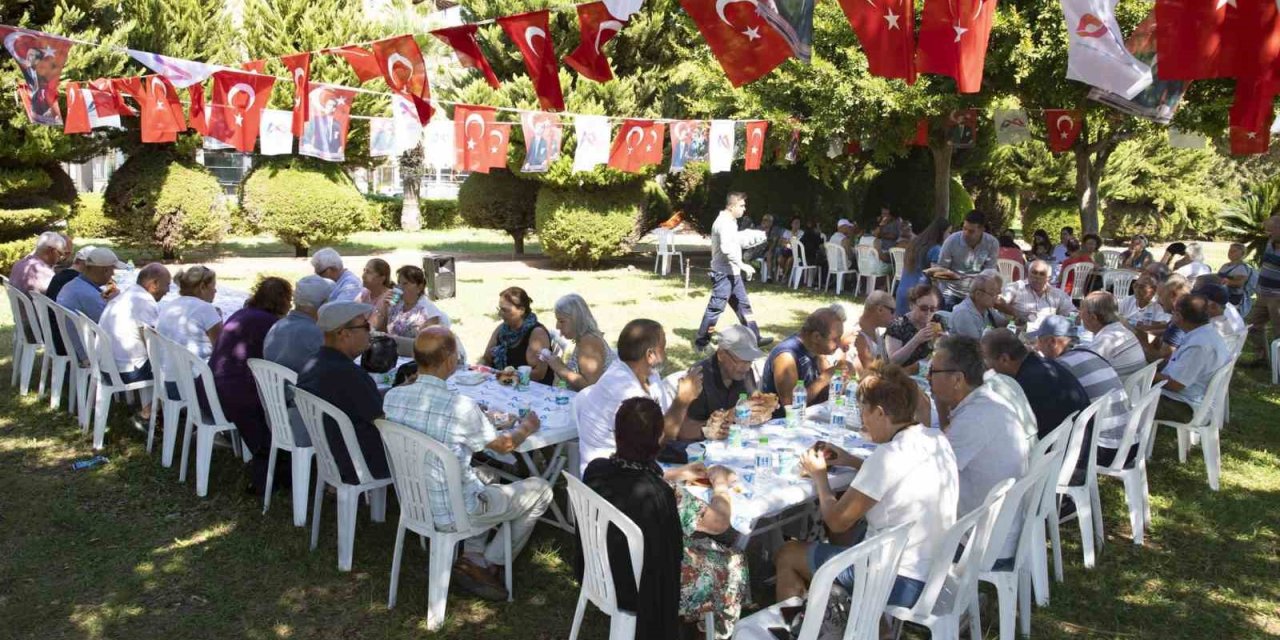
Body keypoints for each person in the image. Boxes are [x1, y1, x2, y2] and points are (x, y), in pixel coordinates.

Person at [384, 327, 553, 601]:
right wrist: (527, 427)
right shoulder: (460, 407)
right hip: (454, 509)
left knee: (486, 475)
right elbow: (504, 446)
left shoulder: (393, 397)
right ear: (451, 360)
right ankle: (490, 562)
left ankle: (472, 556)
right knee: (542, 488)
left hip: (414, 498)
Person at [775, 363, 958, 614]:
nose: (863, 420)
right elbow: (898, 478)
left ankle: (800, 627)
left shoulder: (886, 456)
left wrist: (819, 476)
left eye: (864, 412)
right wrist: (850, 460)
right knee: (851, 536)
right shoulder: (934, 438)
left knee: (788, 554)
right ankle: (868, 624)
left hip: (899, 580)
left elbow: (836, 521)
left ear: (881, 413)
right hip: (933, 567)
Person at [582, 397, 750, 639]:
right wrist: (721, 485)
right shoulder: (661, 494)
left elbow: (633, 469)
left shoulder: (596, 469)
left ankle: (696, 623)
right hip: (647, 587)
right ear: (659, 439)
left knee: (703, 549)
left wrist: (675, 473)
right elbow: (719, 522)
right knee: (734, 562)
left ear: (617, 433)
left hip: (601, 566)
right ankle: (711, 633)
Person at [927, 336, 1029, 555]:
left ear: (957, 379)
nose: (928, 378)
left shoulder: (974, 420)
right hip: (997, 529)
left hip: (977, 544)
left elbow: (923, 478)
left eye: (933, 372)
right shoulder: (987, 402)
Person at [576, 319, 702, 474]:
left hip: (635, 465)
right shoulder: (625, 390)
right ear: (650, 355)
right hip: (610, 477)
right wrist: (683, 400)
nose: (666, 354)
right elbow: (656, 443)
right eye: (663, 348)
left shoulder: (650, 375)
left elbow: (666, 425)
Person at [209, 277, 292, 494]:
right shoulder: (268, 323)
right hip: (237, 392)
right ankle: (267, 478)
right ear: (282, 301)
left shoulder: (241, 314)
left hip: (214, 383)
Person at [296, 301, 389, 484]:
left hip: (333, 456)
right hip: (362, 462)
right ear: (344, 334)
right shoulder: (349, 375)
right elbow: (382, 420)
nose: (369, 331)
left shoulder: (313, 364)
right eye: (365, 326)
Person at [1033, 316, 1134, 475]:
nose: (1036, 346)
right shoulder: (1090, 353)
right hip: (1131, 442)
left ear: (1052, 341)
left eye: (1038, 341)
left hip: (1106, 450)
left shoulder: (1060, 367)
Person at [981, 328, 1090, 440]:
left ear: (1004, 359)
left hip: (1064, 450)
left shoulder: (1025, 384)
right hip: (1081, 440)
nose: (988, 368)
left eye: (987, 361)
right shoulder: (1045, 364)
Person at [694, 192, 769, 352]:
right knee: (715, 308)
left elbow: (734, 241)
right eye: (741, 205)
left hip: (732, 273)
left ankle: (755, 337)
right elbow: (727, 248)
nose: (744, 209)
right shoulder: (724, 223)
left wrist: (752, 237)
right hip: (723, 274)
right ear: (732, 206)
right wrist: (743, 265)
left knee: (744, 306)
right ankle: (702, 342)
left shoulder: (731, 222)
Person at [676, 325, 775, 443]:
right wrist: (727, 417)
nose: (746, 367)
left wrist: (763, 408)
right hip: (700, 452)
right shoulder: (699, 378)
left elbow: (751, 404)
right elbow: (683, 432)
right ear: (721, 354)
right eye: (740, 360)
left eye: (749, 361)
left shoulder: (745, 371)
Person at [1153, 295, 1230, 422]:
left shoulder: (1198, 345)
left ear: (1179, 316)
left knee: (1124, 399)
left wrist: (1146, 374)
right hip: (1188, 396)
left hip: (1185, 404)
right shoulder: (1205, 333)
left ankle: (1128, 439)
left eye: (1173, 313)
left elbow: (1176, 385)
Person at [761, 307, 848, 416]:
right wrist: (825, 378)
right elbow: (792, 406)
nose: (840, 344)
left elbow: (825, 391)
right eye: (835, 339)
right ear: (816, 337)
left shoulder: (816, 349)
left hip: (808, 417)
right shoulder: (786, 357)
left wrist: (840, 377)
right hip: (781, 425)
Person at [98, 263, 170, 387]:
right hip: (127, 372)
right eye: (167, 285)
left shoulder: (128, 294)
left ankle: (151, 404)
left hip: (107, 367)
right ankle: (177, 402)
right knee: (181, 364)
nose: (168, 291)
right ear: (154, 284)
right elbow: (155, 345)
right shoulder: (144, 302)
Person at [540, 293, 616, 391]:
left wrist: (560, 368)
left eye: (562, 321)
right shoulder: (584, 339)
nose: (557, 326)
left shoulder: (589, 342)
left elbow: (590, 388)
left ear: (576, 320)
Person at [481, 287, 553, 385]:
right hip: (503, 386)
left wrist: (508, 376)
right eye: (499, 309)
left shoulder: (537, 334)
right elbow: (486, 358)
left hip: (529, 390)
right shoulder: (502, 330)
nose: (500, 314)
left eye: (505, 310)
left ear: (521, 310)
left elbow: (539, 374)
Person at [929, 210, 999, 310]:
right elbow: (941, 268)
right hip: (950, 292)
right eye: (964, 228)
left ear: (982, 229)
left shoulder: (992, 243)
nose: (966, 233)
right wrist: (956, 277)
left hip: (975, 293)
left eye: (971, 231)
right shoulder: (952, 241)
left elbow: (990, 271)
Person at [264, 276, 335, 373]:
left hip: (272, 386)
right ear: (323, 304)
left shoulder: (277, 325)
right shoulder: (316, 333)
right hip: (299, 387)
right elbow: (334, 368)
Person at [156, 266, 223, 361]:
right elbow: (222, 348)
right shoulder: (206, 309)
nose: (215, 290)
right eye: (213, 286)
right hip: (199, 372)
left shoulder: (170, 306)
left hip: (168, 370)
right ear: (202, 287)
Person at [378, 265, 449, 348]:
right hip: (394, 353)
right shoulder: (397, 305)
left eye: (405, 283)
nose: (400, 287)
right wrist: (384, 309)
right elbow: (383, 333)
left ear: (419, 287)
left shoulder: (427, 310)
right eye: (399, 283)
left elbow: (428, 344)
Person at [1079, 292, 1147, 377]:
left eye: (1081, 310)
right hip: (1135, 386)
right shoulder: (1120, 330)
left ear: (1093, 317)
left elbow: (1082, 369)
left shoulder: (1106, 339)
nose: (1079, 314)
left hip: (1120, 387)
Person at [997, 259, 1074, 332]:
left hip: (1046, 334)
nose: (1037, 277)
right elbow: (997, 301)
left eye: (1042, 274)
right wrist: (1015, 315)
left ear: (1048, 278)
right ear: (1028, 274)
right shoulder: (1016, 287)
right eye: (1034, 272)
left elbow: (1071, 313)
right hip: (1020, 332)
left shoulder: (1057, 295)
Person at [895, 217, 949, 314]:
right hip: (920, 296)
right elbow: (935, 279)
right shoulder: (935, 249)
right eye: (948, 232)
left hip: (902, 292)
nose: (949, 236)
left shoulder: (914, 243)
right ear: (942, 233)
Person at [885, 284, 944, 373]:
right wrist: (916, 340)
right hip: (902, 375)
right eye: (923, 308)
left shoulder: (937, 320)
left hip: (928, 373)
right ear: (912, 305)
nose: (928, 313)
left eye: (932, 309)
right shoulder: (898, 325)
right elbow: (894, 361)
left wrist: (945, 342)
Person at [1246, 215, 1280, 367]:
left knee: (1279, 332)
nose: (1268, 233)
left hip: (1277, 297)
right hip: (1263, 294)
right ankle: (1263, 358)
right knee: (1253, 326)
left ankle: (1277, 366)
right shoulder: (1269, 242)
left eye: (1271, 230)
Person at [1137, 274, 1191, 362]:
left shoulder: (1181, 320)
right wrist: (1143, 331)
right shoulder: (1184, 311)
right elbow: (1167, 329)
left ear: (1173, 295)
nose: (1158, 301)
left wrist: (1140, 339)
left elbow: (1159, 360)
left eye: (1160, 295)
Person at [949, 271, 1007, 339]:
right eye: (992, 294)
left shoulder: (986, 308)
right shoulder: (963, 314)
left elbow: (1004, 324)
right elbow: (976, 346)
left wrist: (1009, 311)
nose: (996, 297)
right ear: (978, 294)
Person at [849, 291, 894, 373]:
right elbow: (873, 373)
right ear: (880, 309)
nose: (893, 316)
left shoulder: (876, 331)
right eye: (892, 311)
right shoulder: (858, 336)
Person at [9, 231, 67, 295]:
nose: (61, 258)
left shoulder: (18, 264)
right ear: (51, 251)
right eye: (60, 253)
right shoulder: (46, 274)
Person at [355, 258, 395, 328]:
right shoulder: (364, 293)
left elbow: (374, 327)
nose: (363, 276)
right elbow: (350, 316)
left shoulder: (391, 296)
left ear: (382, 278)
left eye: (368, 272)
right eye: (364, 271)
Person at [1217, 243, 1255, 312]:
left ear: (1242, 254)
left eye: (1234, 251)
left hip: (1232, 298)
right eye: (1229, 250)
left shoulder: (1241, 268)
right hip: (1222, 295)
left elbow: (1240, 283)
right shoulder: (1225, 265)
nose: (1230, 253)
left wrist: (1227, 282)